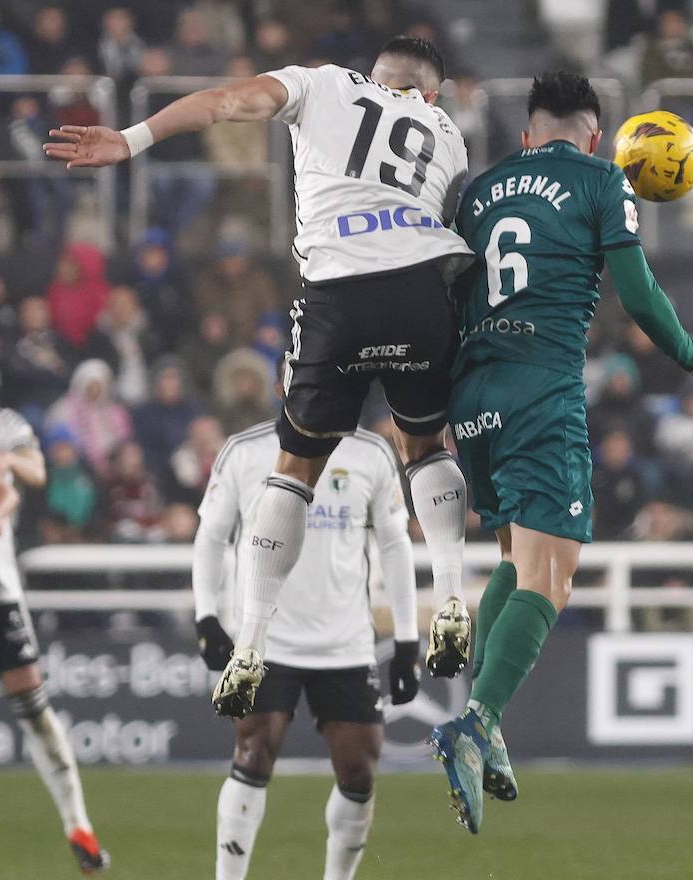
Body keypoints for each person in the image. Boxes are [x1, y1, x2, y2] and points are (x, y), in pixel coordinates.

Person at [45, 36, 478, 718]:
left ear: (375, 76)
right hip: (425, 288)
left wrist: (131, 140)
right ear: (429, 93)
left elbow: (226, 104)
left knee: (293, 471)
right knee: (423, 446)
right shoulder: (448, 136)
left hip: (341, 290)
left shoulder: (325, 83)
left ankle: (252, 638)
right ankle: (451, 595)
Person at [432, 72, 693, 834]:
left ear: (529, 134)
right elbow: (635, 295)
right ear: (597, 138)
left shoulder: (481, 187)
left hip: (470, 393)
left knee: (511, 558)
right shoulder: (602, 180)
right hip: (541, 386)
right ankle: (477, 721)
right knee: (554, 573)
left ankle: (483, 718)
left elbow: (448, 291)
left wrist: (438, 405)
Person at [191, 388, 475, 880]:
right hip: (264, 639)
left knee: (361, 769)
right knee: (253, 752)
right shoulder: (245, 451)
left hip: (345, 643)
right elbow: (210, 536)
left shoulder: (371, 454)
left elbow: (394, 545)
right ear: (284, 389)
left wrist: (409, 636)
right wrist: (206, 616)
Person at [0, 405, 108, 872]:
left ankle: (78, 823)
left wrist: (5, 479)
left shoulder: (2, 424)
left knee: (35, 711)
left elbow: (27, 478)